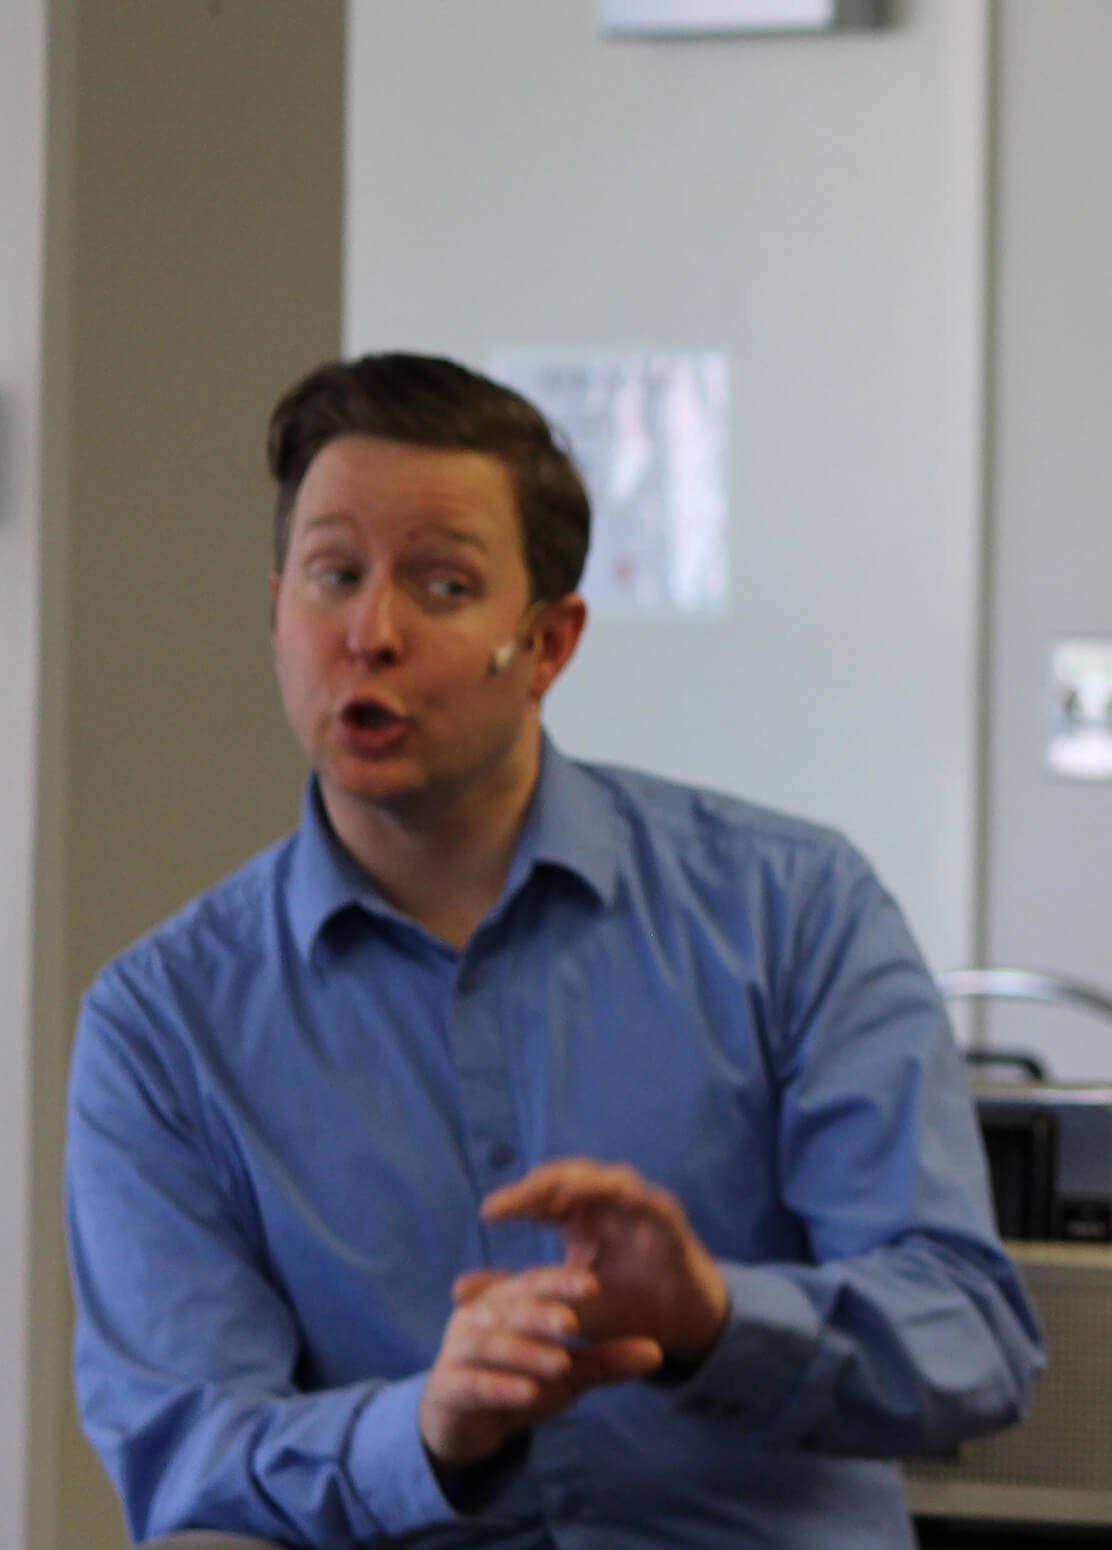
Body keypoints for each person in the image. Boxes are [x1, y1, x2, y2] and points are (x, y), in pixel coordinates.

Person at [64, 353, 1044, 1548]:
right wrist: (422, 1427)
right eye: (333, 575)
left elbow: (969, 1333)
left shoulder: (791, 908)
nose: (371, 632)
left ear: (548, 642)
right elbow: (187, 1452)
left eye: (441, 584)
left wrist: (712, 1314)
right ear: (277, 612)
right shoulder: (167, 1021)